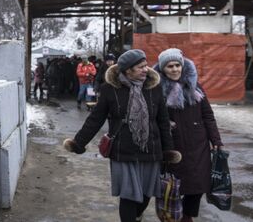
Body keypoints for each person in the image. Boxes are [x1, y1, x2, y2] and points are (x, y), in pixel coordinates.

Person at [63, 49, 181, 222]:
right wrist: (78, 143)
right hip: (123, 150)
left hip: (151, 149)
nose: (146, 70)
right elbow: (95, 119)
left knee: (146, 194)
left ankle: (137, 216)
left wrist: (169, 150)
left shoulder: (154, 87)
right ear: (127, 70)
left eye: (146, 65)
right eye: (140, 67)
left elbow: (163, 121)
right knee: (129, 196)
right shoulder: (110, 89)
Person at [154, 48, 224, 222]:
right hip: (173, 146)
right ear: (163, 69)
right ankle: (175, 216)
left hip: (198, 144)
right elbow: (150, 117)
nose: (175, 69)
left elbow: (207, 115)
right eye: (170, 66)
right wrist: (164, 125)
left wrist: (216, 140)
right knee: (174, 188)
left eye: (178, 65)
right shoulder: (156, 90)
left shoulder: (194, 86)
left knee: (198, 187)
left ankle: (186, 217)